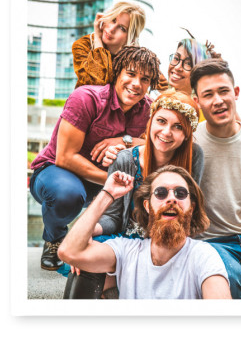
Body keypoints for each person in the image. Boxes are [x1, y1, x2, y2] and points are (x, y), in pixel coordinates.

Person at [62, 90, 204, 299]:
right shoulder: (125, 159)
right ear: (150, 123)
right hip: (126, 238)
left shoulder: (194, 155)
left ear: (186, 135)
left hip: (168, 239)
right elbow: (112, 216)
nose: (166, 132)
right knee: (84, 262)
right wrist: (91, 231)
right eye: (161, 121)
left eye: (178, 127)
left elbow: (191, 212)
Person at [29, 45, 160, 271]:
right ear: (117, 72)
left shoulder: (150, 110)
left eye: (145, 78)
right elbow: (65, 157)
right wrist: (112, 182)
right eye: (130, 73)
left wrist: (124, 139)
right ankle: (54, 238)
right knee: (67, 195)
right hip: (56, 172)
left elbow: (158, 142)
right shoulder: (86, 98)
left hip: (106, 181)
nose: (137, 83)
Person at [58, 166, 231, 299]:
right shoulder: (126, 250)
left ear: (191, 208)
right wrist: (107, 194)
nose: (171, 198)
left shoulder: (203, 256)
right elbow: (69, 252)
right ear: (147, 206)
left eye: (180, 193)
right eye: (161, 193)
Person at [190, 58, 241, 299]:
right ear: (197, 102)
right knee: (228, 280)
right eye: (208, 95)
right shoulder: (189, 142)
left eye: (223, 91)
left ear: (236, 93)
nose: (218, 100)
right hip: (213, 244)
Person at [72, 1, 146, 89]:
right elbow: (96, 83)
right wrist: (98, 40)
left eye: (122, 28)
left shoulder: (133, 59)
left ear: (131, 37)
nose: (111, 29)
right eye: (113, 20)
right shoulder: (83, 45)